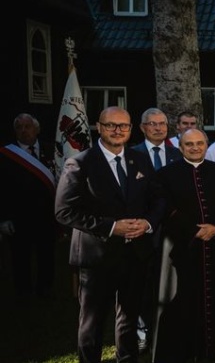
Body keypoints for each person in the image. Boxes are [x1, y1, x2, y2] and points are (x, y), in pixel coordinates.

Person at [54, 106, 165, 363]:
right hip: (97, 256)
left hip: (135, 252)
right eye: (111, 125)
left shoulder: (140, 159)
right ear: (99, 126)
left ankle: (126, 359)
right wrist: (112, 227)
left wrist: (148, 223)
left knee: (128, 317)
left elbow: (158, 198)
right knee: (92, 321)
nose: (117, 131)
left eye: (123, 126)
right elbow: (64, 211)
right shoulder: (80, 162)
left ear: (130, 128)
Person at [154, 128, 215, 362]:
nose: (195, 148)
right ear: (180, 148)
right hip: (183, 248)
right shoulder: (167, 174)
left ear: (207, 145)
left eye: (200, 143)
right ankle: (184, 351)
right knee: (184, 303)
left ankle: (213, 349)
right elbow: (166, 207)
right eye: (189, 144)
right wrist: (195, 231)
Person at [130, 107, 182, 351]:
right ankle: (141, 329)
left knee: (168, 283)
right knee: (140, 282)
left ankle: (168, 328)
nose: (158, 128)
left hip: (171, 231)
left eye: (162, 123)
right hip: (141, 229)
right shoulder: (131, 154)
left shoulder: (177, 153)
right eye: (152, 124)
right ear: (142, 128)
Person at [0, 113, 57, 299]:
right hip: (19, 216)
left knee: (46, 254)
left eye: (28, 126)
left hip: (47, 215)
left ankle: (45, 288)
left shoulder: (52, 150)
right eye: (19, 127)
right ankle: (23, 291)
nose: (24, 131)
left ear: (37, 129)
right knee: (20, 257)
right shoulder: (6, 155)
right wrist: (4, 218)